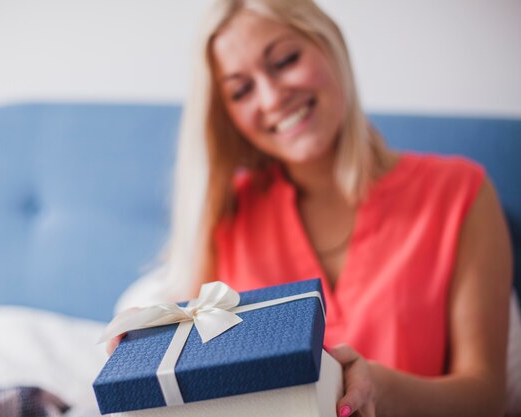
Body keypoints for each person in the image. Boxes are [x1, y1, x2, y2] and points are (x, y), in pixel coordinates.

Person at [112, 0, 514, 415]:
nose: (271, 98)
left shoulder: (458, 193)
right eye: (241, 90)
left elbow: (484, 396)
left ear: (330, 45)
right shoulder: (227, 215)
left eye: (285, 60)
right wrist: (150, 346)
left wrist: (376, 388)